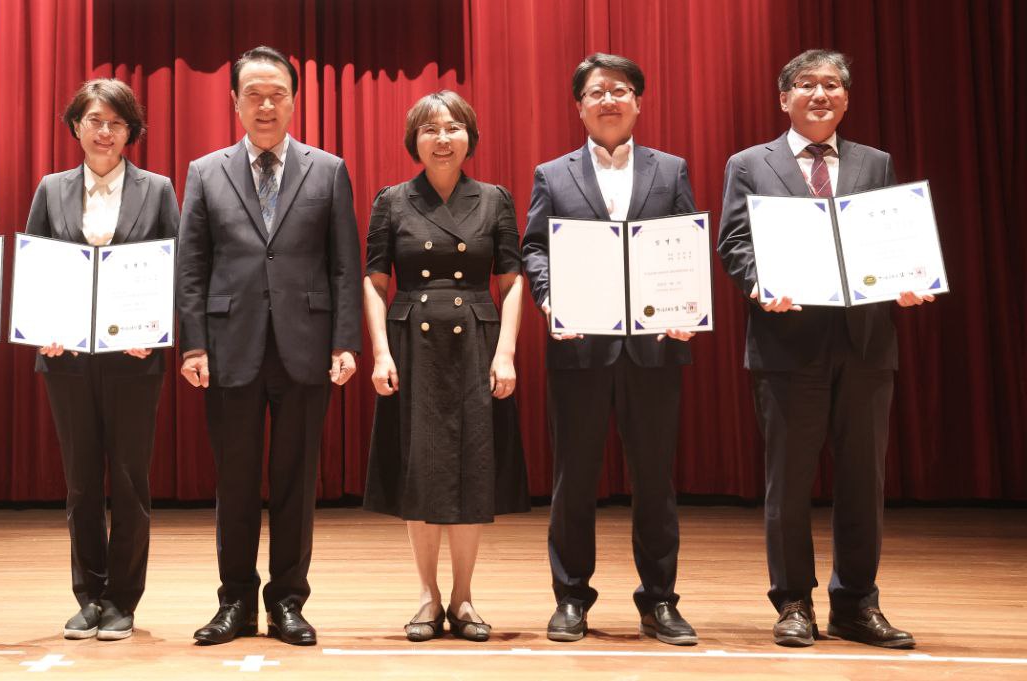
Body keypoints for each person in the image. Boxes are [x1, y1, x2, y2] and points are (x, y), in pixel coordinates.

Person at [717, 49, 930, 649]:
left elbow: (892, 235)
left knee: (864, 480)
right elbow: (734, 241)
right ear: (783, 98)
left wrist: (905, 276)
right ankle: (792, 603)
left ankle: (856, 604)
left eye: (832, 85)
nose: (820, 94)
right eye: (806, 84)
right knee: (788, 483)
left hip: (865, 344)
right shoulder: (749, 164)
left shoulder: (874, 161)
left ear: (847, 98)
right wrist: (759, 287)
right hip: (786, 343)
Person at [178, 45, 361, 647]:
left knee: (294, 480)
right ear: (234, 101)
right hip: (229, 348)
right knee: (234, 483)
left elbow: (343, 265)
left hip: (306, 346)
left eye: (276, 93)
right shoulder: (205, 172)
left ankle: (287, 601)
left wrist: (344, 341)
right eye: (253, 94)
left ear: (293, 99)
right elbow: (192, 267)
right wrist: (193, 346)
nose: (265, 104)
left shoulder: (328, 169)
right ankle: (234, 603)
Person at [521, 53, 699, 646]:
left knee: (655, 480)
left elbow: (684, 246)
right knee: (574, 479)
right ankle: (571, 597)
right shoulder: (553, 173)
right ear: (579, 105)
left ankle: (660, 602)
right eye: (596, 92)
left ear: (638, 101)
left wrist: (686, 308)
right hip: (580, 348)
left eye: (620, 90)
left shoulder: (670, 170)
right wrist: (551, 302)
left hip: (654, 350)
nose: (608, 101)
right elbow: (535, 249)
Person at [362, 91, 530, 642]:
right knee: (422, 469)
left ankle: (464, 598)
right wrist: (381, 351)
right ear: (414, 139)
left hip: (476, 343)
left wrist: (506, 351)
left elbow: (510, 280)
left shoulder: (494, 199)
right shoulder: (392, 200)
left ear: (469, 138)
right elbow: (375, 280)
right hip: (412, 341)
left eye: (453, 127)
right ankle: (427, 597)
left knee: (471, 469)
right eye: (430, 128)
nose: (441, 138)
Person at [25, 78, 179, 641]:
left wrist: (155, 330)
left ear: (130, 131)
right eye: (94, 120)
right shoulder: (51, 188)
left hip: (134, 359)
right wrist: (43, 328)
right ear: (75, 127)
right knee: (82, 481)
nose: (105, 131)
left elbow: (174, 270)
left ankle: (122, 600)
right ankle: (88, 596)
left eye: (116, 122)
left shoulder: (158, 189)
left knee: (131, 481)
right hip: (65, 359)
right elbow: (36, 265)